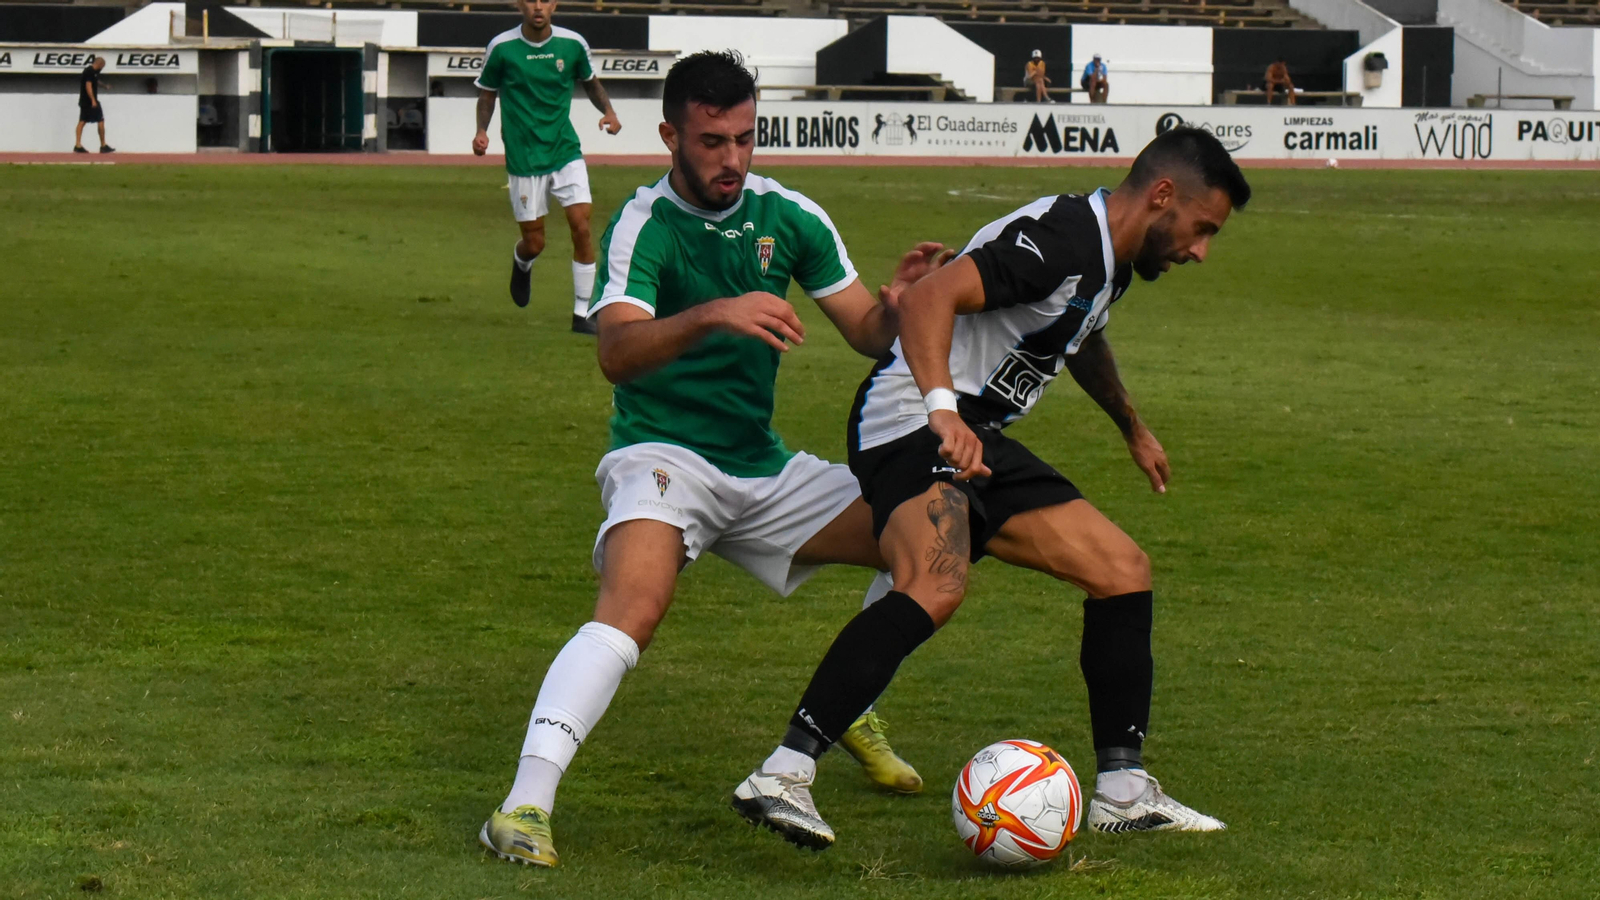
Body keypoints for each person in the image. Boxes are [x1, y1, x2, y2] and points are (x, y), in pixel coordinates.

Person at [477, 50, 948, 868]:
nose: (732, 159)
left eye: (744, 137)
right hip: (663, 456)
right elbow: (616, 350)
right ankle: (524, 805)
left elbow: (868, 334)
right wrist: (714, 314)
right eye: (711, 141)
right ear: (670, 135)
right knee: (634, 607)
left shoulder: (789, 214)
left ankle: (855, 702)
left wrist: (900, 305)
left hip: (762, 469)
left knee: (927, 529)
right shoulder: (643, 223)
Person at [733, 126, 1252, 849]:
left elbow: (1078, 334)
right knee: (934, 584)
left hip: (974, 431)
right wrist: (943, 413)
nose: (1199, 249)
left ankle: (1124, 792)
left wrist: (1132, 427)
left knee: (1121, 571)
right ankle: (782, 773)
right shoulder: (1066, 236)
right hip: (910, 419)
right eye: (1202, 229)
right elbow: (928, 300)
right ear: (1163, 195)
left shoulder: (1111, 261)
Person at [472, 0, 622, 334]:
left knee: (581, 225)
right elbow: (487, 94)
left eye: (545, 0)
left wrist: (609, 111)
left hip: (564, 151)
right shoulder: (501, 47)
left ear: (554, 5)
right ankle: (522, 261)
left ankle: (583, 313)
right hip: (524, 158)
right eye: (530, 0)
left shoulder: (572, 44)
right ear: (518, 4)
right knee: (535, 242)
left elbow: (590, 82)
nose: (538, 7)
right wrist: (481, 132)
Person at [74, 56, 114, 154]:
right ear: (99, 64)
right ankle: (102, 145)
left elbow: (95, 81)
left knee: (83, 121)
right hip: (88, 101)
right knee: (98, 120)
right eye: (102, 67)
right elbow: (88, 86)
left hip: (87, 101)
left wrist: (104, 86)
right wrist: (93, 100)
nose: (102, 69)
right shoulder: (89, 71)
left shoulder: (93, 73)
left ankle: (78, 145)